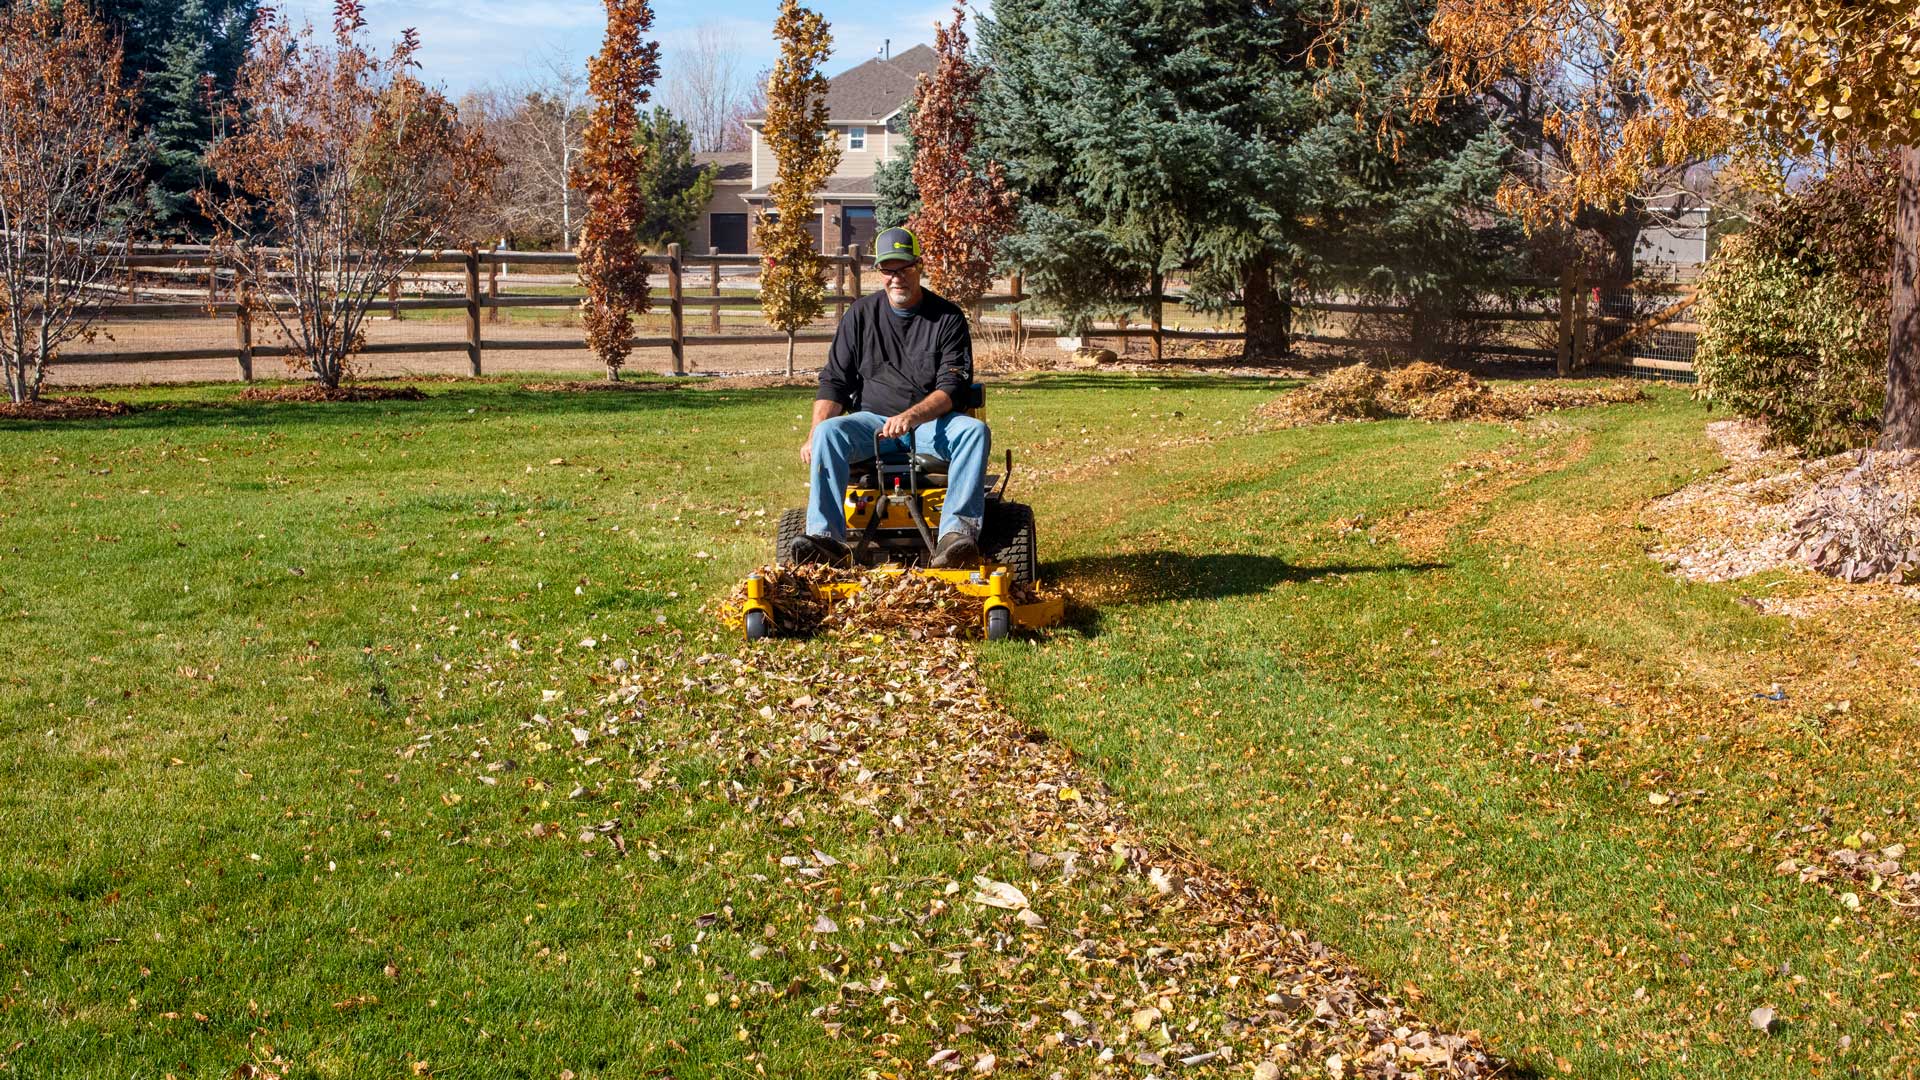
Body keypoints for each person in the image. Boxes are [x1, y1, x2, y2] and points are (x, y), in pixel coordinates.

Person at [789, 226, 989, 568]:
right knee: (827, 433)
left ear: (919, 265)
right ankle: (825, 539)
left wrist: (912, 417)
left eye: (904, 268)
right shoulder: (860, 316)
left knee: (974, 432)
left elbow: (953, 386)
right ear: (879, 272)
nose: (896, 278)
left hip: (931, 425)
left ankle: (955, 536)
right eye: (888, 270)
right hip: (872, 424)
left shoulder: (947, 318)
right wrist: (814, 431)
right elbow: (835, 381)